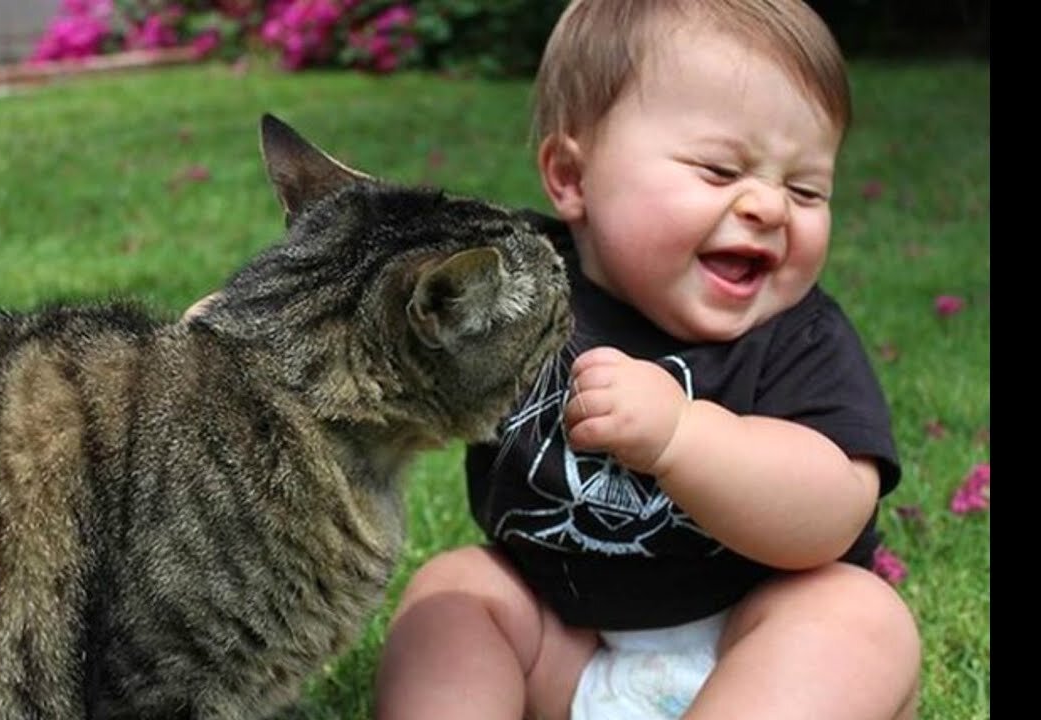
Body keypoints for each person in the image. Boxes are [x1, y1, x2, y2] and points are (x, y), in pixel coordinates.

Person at [372, 1, 921, 718]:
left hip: (754, 646)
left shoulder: (800, 336)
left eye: (805, 189)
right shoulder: (519, 288)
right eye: (719, 169)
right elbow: (391, 324)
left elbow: (832, 514)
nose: (768, 207)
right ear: (572, 178)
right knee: (455, 594)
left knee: (858, 618)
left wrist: (681, 438)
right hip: (564, 641)